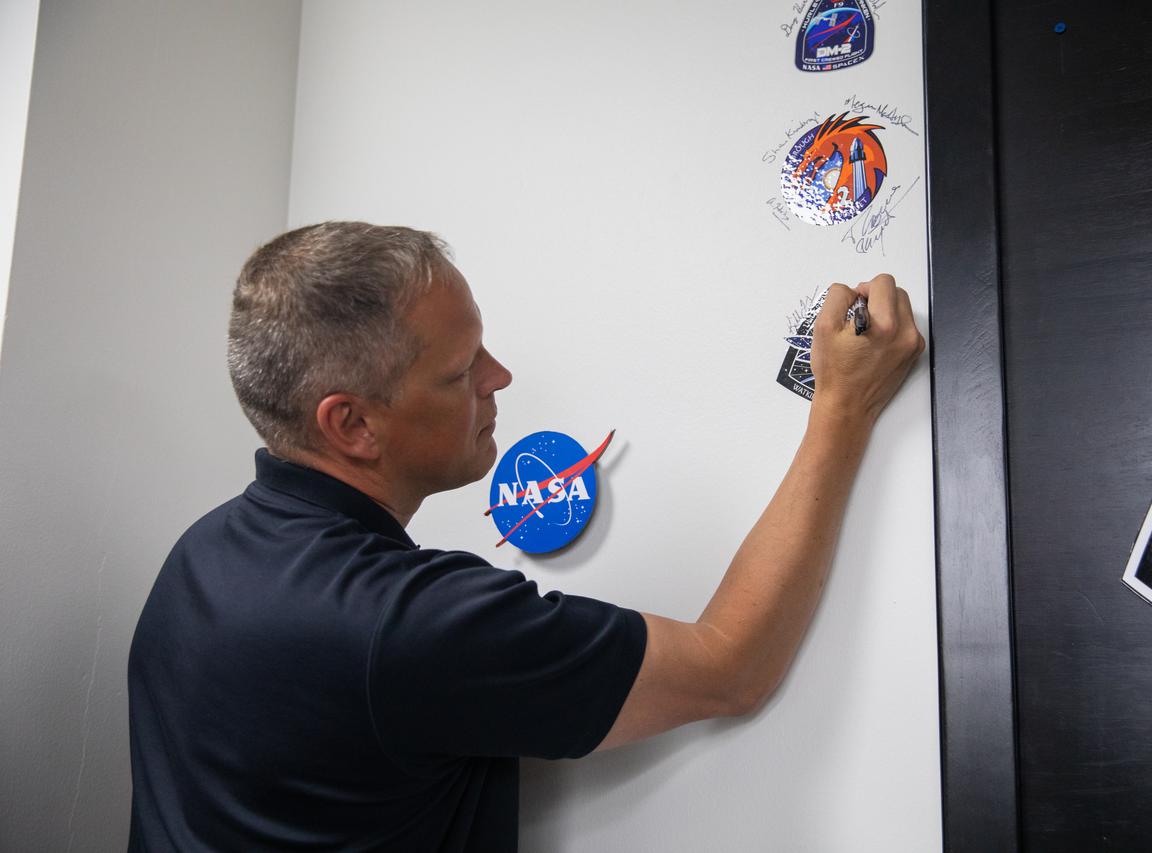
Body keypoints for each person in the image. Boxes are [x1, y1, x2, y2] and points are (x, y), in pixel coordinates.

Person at [126, 221, 925, 852]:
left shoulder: (201, 555)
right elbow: (732, 667)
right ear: (354, 423)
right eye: (462, 368)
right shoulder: (408, 625)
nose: (499, 377)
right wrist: (843, 409)